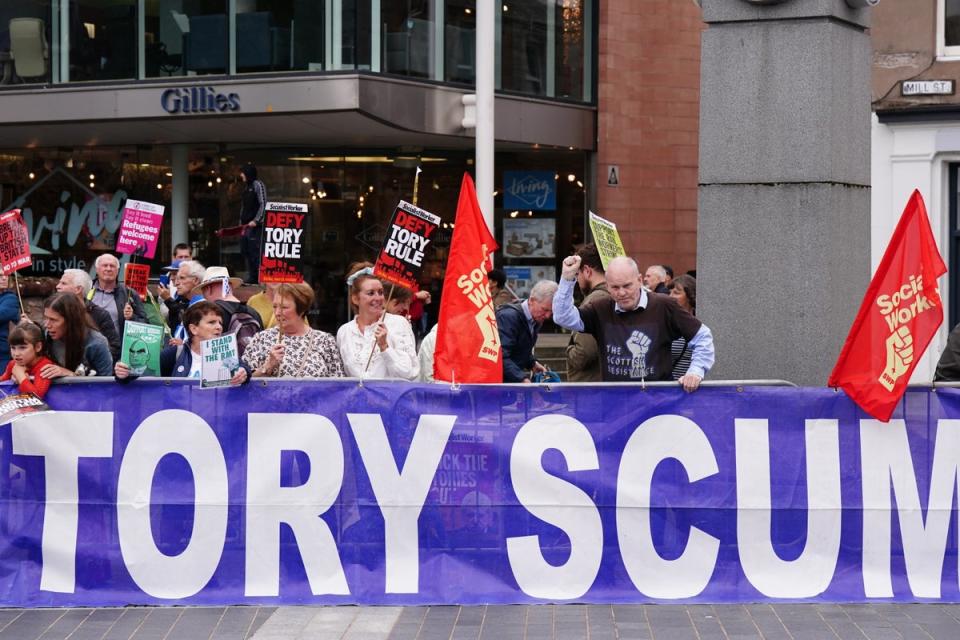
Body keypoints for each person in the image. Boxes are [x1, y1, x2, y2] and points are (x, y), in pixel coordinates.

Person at [553, 255, 714, 392]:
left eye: (627, 286)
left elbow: (702, 336)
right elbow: (563, 317)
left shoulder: (664, 305)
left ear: (639, 280)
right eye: (615, 287)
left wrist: (695, 371)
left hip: (659, 404)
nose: (622, 293)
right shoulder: (600, 308)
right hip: (615, 403)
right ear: (607, 286)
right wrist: (567, 279)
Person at [116, 300, 250, 383]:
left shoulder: (226, 353)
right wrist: (123, 372)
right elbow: (143, 370)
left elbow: (244, 368)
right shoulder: (176, 353)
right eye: (211, 322)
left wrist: (243, 373)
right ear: (194, 329)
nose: (219, 327)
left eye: (220, 322)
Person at [244, 282, 344, 378]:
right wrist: (268, 366)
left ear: (302, 309)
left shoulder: (325, 341)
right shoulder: (261, 339)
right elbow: (243, 383)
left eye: (284, 307)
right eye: (275, 306)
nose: (277, 312)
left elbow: (338, 386)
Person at [337, 263, 419, 380]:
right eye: (371, 293)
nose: (378, 298)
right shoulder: (344, 331)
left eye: (380, 292)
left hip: (391, 398)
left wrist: (384, 347)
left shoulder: (399, 323)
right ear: (355, 299)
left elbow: (410, 373)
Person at [496, 279, 557, 383]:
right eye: (545, 310)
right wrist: (522, 378)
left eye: (551, 312)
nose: (547, 316)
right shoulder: (508, 317)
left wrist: (532, 363)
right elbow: (500, 356)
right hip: (499, 385)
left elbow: (520, 348)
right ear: (532, 300)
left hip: (511, 380)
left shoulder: (535, 318)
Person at [565, 243, 611, 382]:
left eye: (577, 274)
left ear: (587, 271)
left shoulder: (594, 301)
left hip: (588, 388)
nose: (577, 280)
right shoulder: (613, 296)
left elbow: (583, 355)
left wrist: (568, 350)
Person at [194, 266, 263, 357]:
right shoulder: (254, 313)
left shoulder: (210, 313)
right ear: (230, 286)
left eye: (203, 292)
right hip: (250, 369)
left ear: (209, 288)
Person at [56, 268, 122, 362]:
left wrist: (87, 362)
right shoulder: (55, 311)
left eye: (63, 283)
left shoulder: (100, 315)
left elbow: (114, 348)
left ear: (78, 289)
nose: (57, 286)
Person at [42, 292, 113, 378]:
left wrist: (71, 375)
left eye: (53, 320)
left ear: (70, 320)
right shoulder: (47, 337)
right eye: (46, 318)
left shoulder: (97, 343)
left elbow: (106, 384)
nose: (47, 325)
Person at [87, 253, 146, 337]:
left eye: (112, 266)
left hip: (116, 347)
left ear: (118, 270)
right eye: (105, 265)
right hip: (89, 346)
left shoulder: (129, 293)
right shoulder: (86, 290)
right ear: (97, 269)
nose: (108, 269)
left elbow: (145, 324)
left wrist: (132, 317)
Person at [0, 322, 56, 399]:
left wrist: (20, 376)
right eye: (13, 348)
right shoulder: (13, 364)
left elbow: (36, 397)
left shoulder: (45, 367)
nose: (16, 353)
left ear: (38, 347)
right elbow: (2, 381)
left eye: (22, 348)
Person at [238, 163, 267, 281]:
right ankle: (252, 275)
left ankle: (256, 277)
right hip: (246, 226)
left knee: (255, 252)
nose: (241, 175)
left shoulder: (258, 185)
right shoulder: (246, 187)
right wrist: (241, 224)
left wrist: (256, 220)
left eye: (243, 172)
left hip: (255, 226)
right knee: (246, 251)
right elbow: (243, 207)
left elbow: (263, 203)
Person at [668, 274, 697, 380]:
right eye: (669, 292)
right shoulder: (665, 322)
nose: (670, 296)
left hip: (687, 389)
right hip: (664, 389)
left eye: (676, 293)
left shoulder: (698, 327)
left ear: (690, 296)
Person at [166, 260, 205, 338]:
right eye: (176, 278)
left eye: (182, 278)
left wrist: (183, 344)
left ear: (196, 280)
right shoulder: (190, 304)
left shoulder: (202, 308)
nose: (176, 283)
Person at [0, 274, 23, 372]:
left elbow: (2, 314)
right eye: (0, 275)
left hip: (1, 355)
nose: (5, 278)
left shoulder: (10, 298)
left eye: (6, 275)